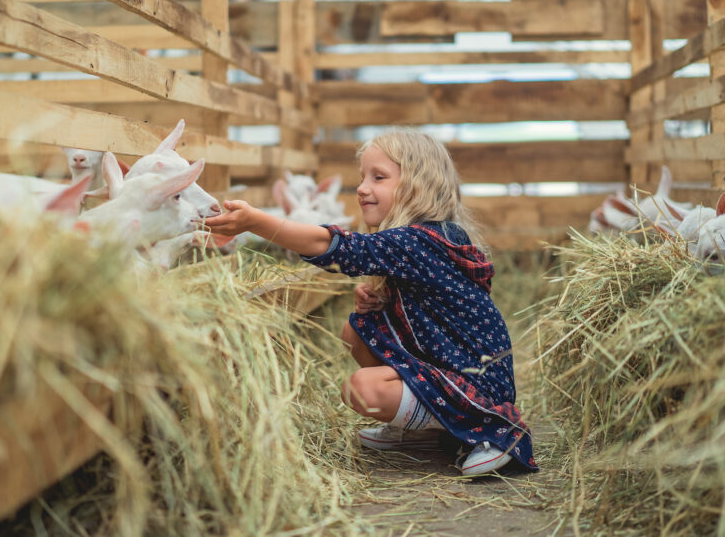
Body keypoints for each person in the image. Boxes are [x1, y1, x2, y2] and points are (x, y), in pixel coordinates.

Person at [204, 128, 537, 476]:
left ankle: (492, 434)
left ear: (417, 186)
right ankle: (424, 431)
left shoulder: (417, 240)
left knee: (362, 390)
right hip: (453, 364)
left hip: (476, 384)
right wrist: (386, 302)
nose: (362, 188)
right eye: (362, 177)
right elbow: (433, 311)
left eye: (378, 177)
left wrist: (257, 222)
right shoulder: (433, 237)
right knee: (356, 329)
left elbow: (341, 248)